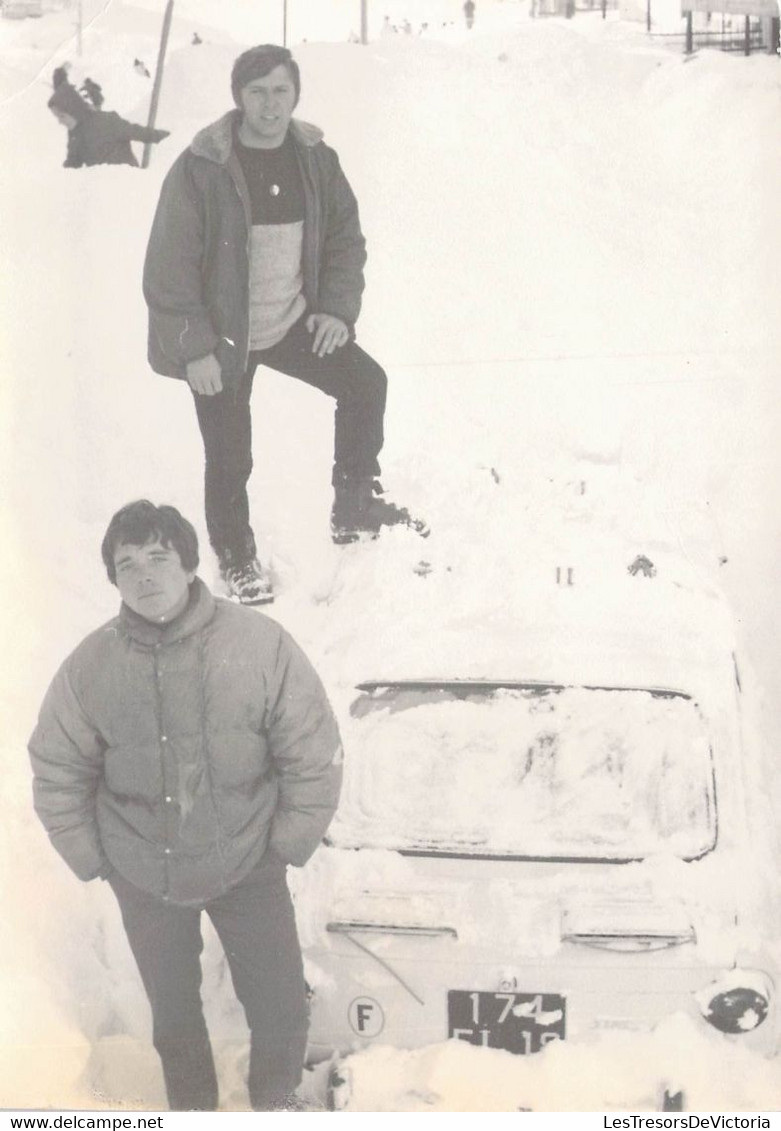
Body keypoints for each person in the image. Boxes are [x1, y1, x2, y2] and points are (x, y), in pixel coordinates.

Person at [28, 500, 343, 1111]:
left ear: (191, 564)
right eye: (126, 564)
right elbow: (57, 769)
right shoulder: (89, 667)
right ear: (113, 580)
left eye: (158, 557)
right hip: (144, 872)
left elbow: (313, 750)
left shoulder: (259, 645)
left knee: (278, 1007)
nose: (144, 575)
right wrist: (98, 860)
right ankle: (192, 1113)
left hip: (247, 863)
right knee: (174, 1021)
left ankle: (274, 1105)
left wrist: (283, 846)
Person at [143, 44, 427, 607]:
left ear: (296, 93)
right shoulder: (203, 167)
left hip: (292, 320)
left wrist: (336, 312)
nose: (270, 104)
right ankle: (235, 555)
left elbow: (346, 240)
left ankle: (353, 506)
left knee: (365, 384)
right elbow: (167, 268)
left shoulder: (316, 158)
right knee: (230, 454)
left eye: (280, 90)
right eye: (257, 92)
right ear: (238, 97)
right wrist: (195, 349)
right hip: (224, 336)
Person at [47, 72, 169, 168]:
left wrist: (169, 137)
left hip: (127, 183)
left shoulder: (107, 122)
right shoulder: (75, 134)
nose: (60, 122)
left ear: (73, 111)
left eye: (62, 116)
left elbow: (139, 133)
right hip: (102, 189)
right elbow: (73, 164)